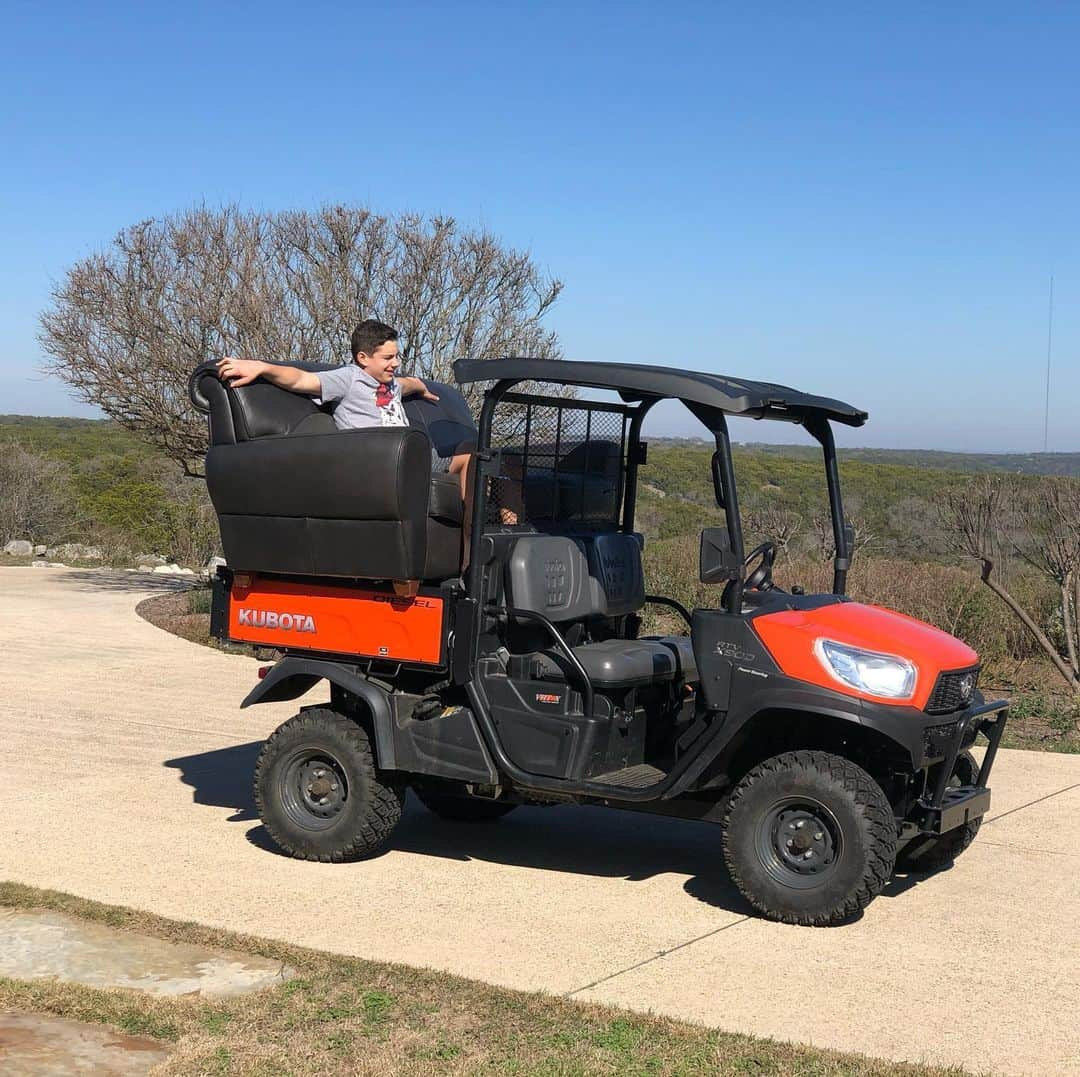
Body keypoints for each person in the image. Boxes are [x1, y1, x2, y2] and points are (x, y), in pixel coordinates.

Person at [216, 319, 472, 500]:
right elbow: (300, 379)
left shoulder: (391, 382)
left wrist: (422, 388)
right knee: (476, 461)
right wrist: (261, 367)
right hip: (385, 461)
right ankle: (471, 555)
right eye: (388, 358)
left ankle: (482, 543)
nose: (396, 363)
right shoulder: (348, 379)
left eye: (396, 356)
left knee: (489, 461)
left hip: (417, 457)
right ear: (362, 358)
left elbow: (409, 383)